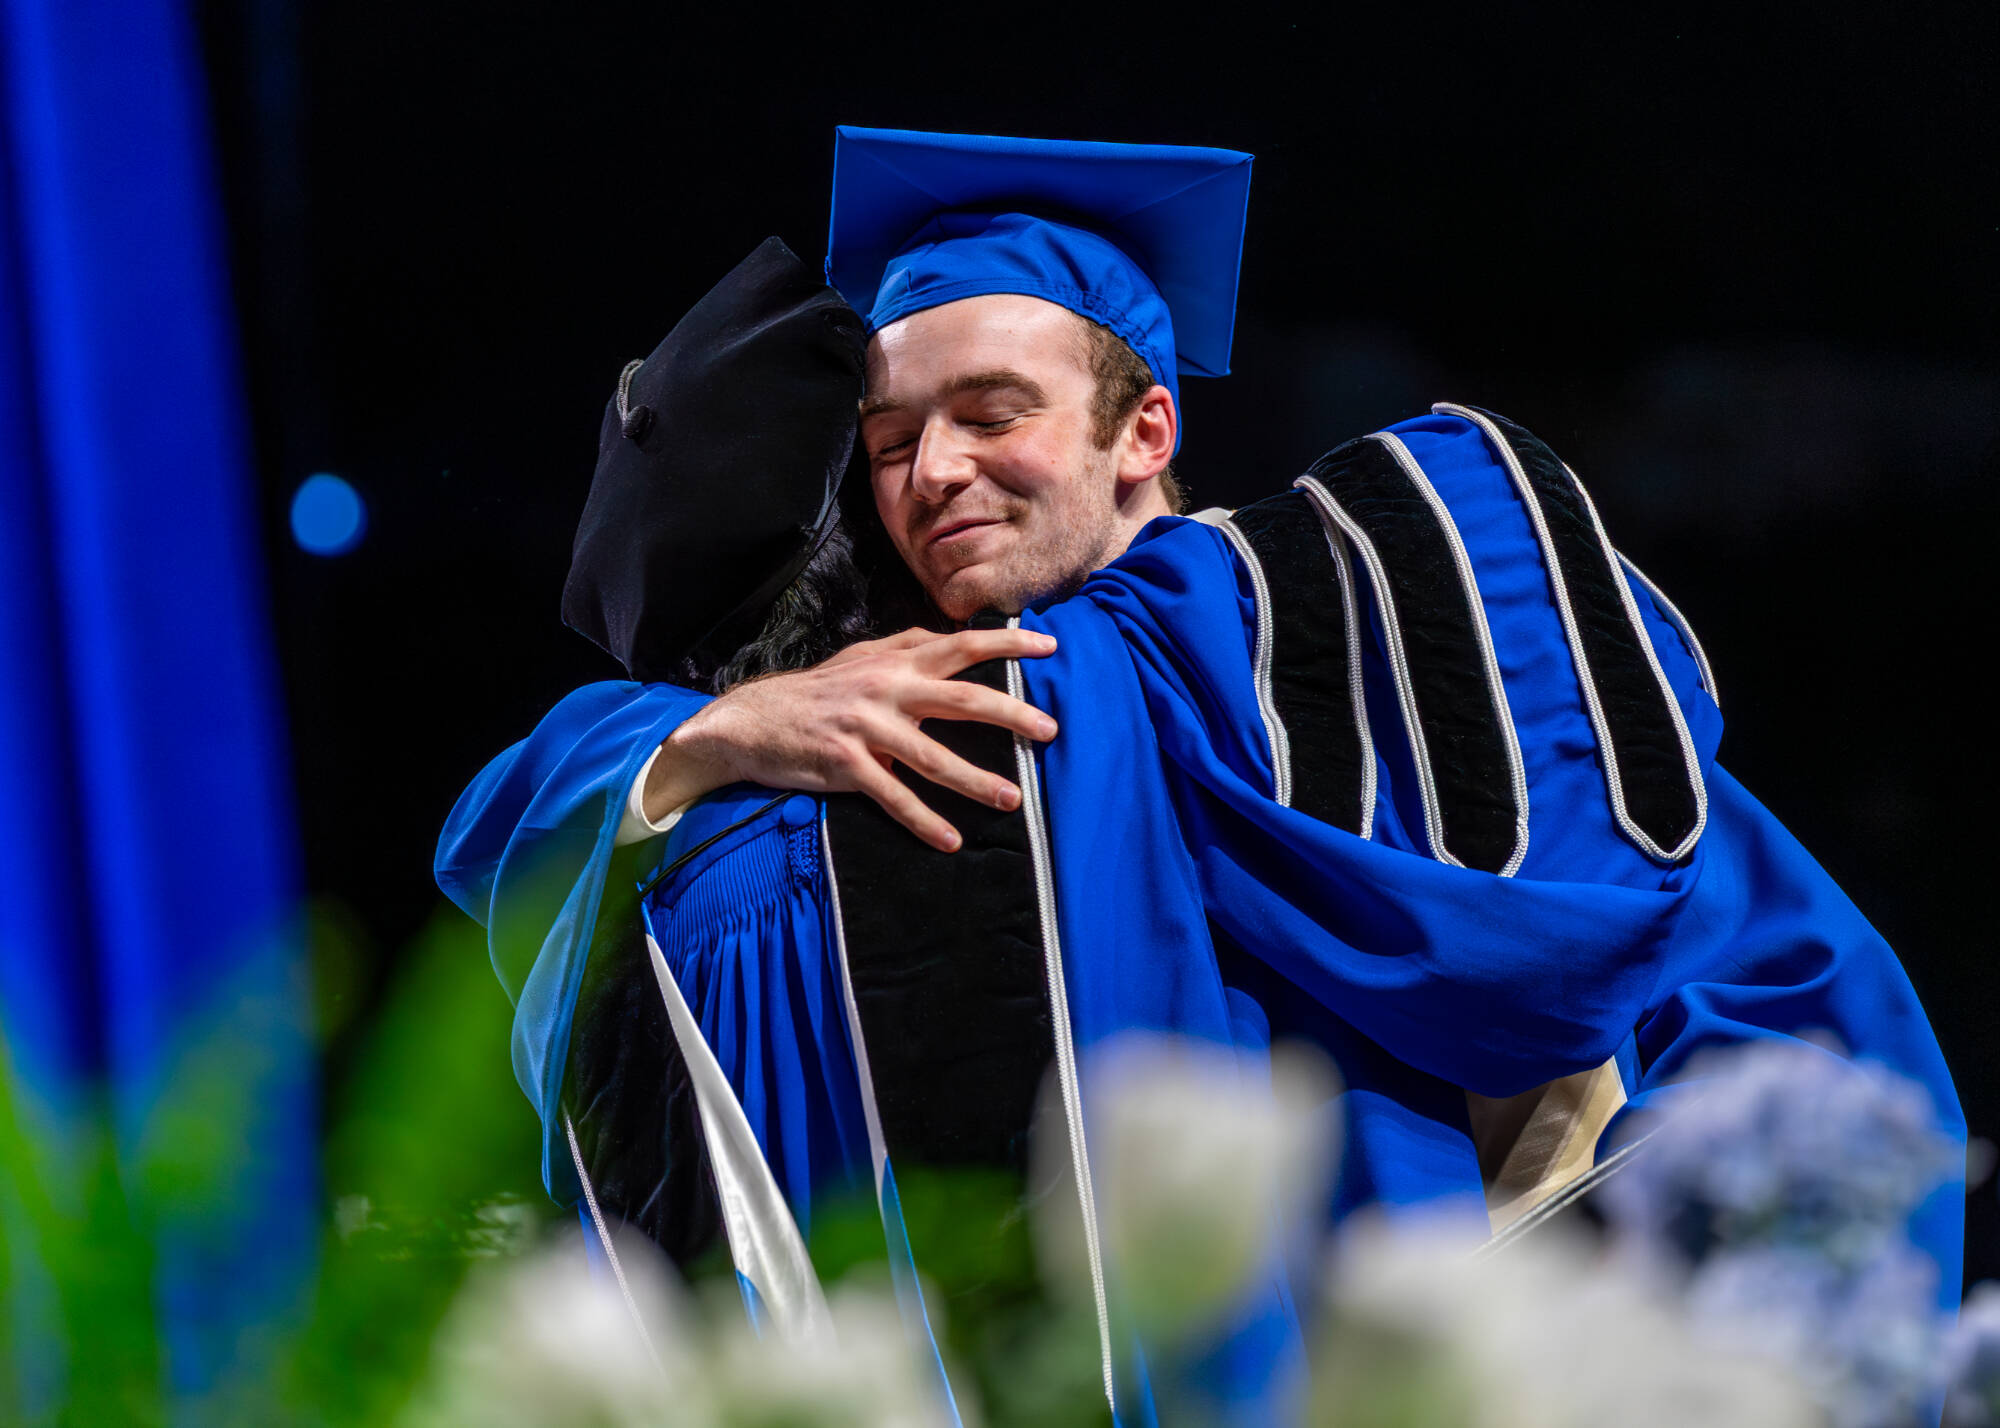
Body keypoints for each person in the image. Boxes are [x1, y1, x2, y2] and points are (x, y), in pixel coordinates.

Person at [438, 129, 1963, 1425]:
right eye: (891, 443)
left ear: (1143, 429)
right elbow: (520, 839)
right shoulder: (861, 731)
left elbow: (1770, 988)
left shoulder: (1349, 622)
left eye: (993, 414)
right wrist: (730, 729)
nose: (936, 475)